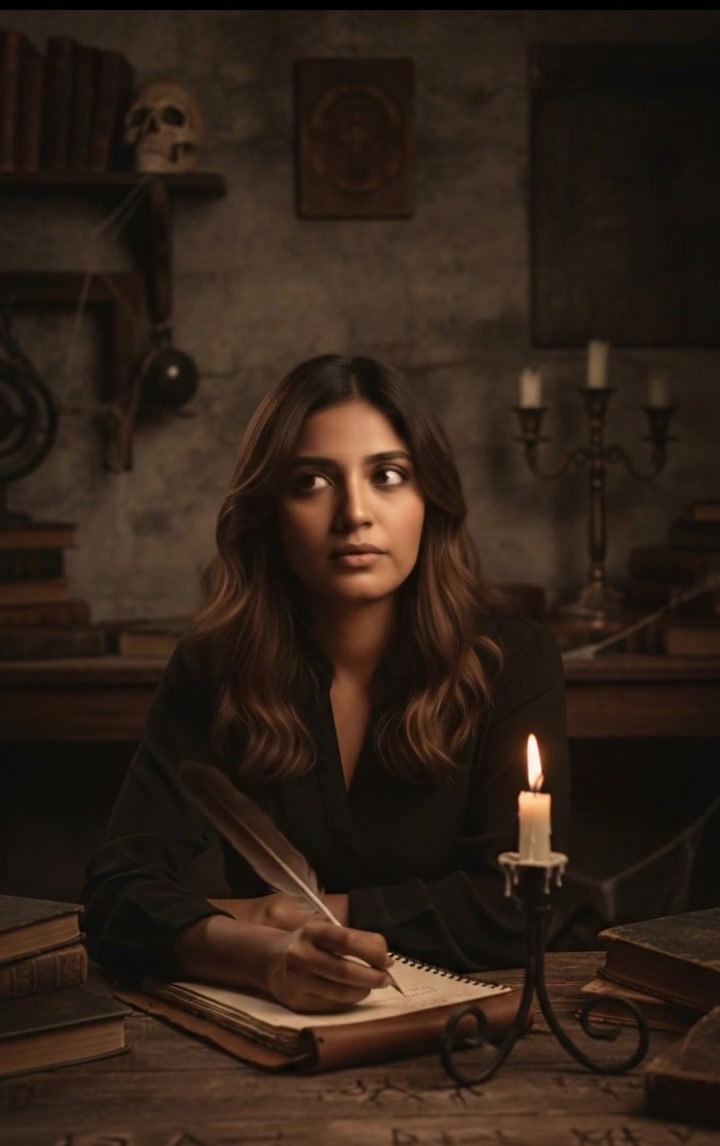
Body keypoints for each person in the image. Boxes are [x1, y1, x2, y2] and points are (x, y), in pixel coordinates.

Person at [81, 353, 573, 1015]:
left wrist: (291, 915)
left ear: (431, 497)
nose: (354, 514)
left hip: (468, 1039)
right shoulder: (215, 667)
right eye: (312, 481)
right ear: (270, 510)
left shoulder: (512, 660)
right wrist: (265, 956)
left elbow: (520, 906)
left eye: (388, 476)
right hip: (264, 1050)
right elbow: (117, 894)